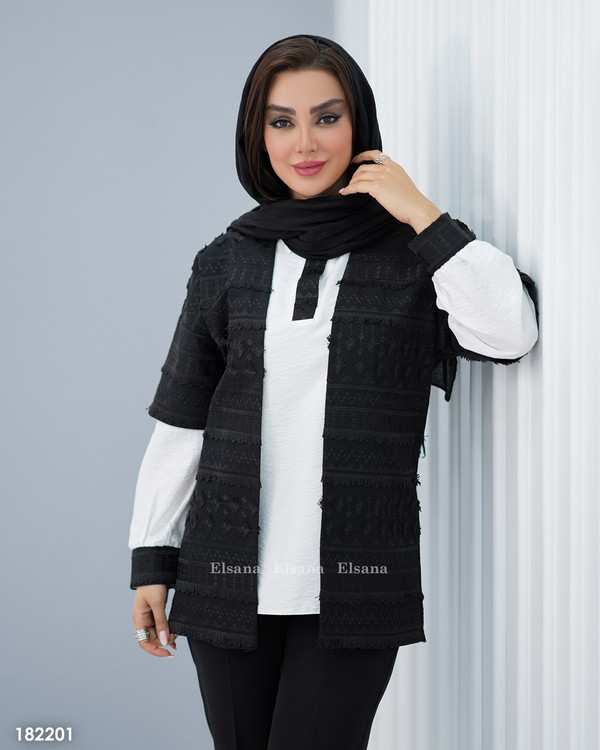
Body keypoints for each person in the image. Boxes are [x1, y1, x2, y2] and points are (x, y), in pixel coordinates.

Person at [128, 34, 539, 750]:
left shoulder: (414, 252)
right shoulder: (225, 261)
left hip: (356, 577)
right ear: (257, 135)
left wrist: (422, 213)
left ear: (360, 125)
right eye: (281, 121)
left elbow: (510, 333)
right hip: (224, 574)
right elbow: (183, 418)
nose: (305, 143)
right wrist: (151, 560)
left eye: (327, 117)